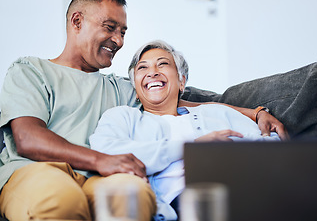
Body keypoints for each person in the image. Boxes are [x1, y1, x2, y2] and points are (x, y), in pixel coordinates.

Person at [0, 0, 286, 221]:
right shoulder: (31, 70)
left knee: (133, 195)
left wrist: (256, 113)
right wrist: (102, 159)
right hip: (37, 170)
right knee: (60, 203)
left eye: (123, 32)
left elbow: (181, 102)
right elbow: (28, 138)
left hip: (99, 177)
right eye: (110, 27)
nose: (119, 40)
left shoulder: (121, 89)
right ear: (77, 22)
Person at [89, 40, 281, 220]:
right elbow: (106, 152)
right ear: (135, 90)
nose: (153, 72)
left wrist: (229, 150)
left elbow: (272, 145)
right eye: (143, 67)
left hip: (240, 193)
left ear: (182, 81)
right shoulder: (123, 117)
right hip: (179, 205)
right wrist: (191, 148)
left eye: (162, 64)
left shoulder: (217, 112)